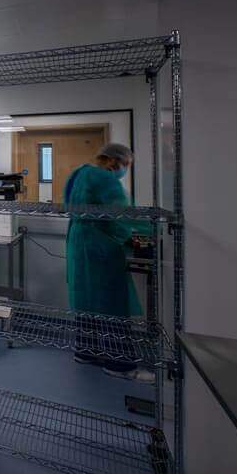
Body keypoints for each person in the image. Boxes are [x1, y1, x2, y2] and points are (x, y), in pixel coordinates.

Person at [64, 142, 151, 381]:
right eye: (126, 165)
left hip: (77, 242)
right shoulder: (106, 179)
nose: (125, 170)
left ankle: (86, 352)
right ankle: (120, 365)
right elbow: (121, 214)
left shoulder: (79, 173)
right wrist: (150, 228)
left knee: (85, 298)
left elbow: (69, 206)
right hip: (99, 246)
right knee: (111, 304)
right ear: (115, 162)